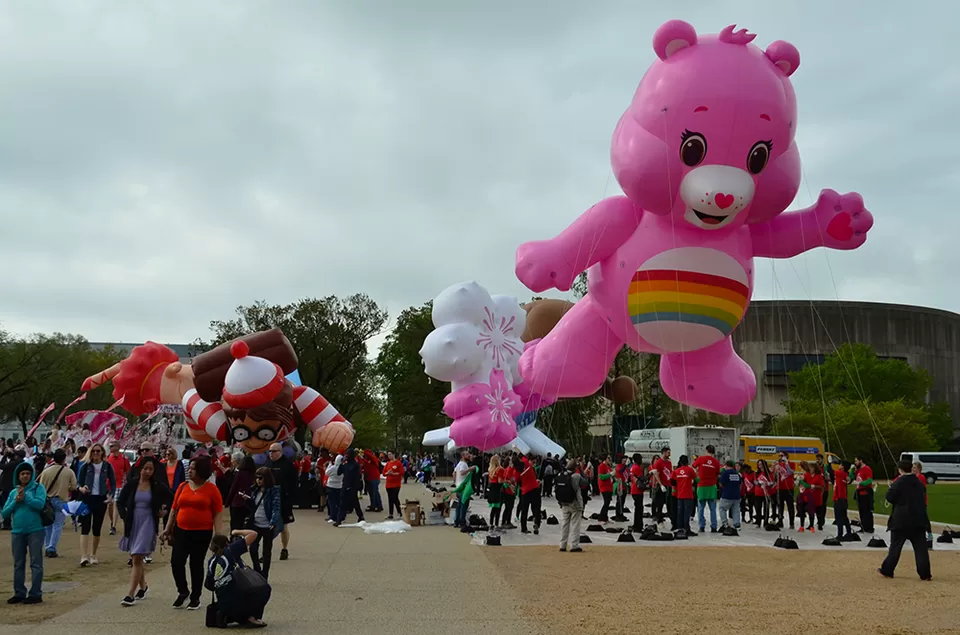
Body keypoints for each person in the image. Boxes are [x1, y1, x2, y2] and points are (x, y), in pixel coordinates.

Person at [162, 457, 223, 610]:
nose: (189, 471)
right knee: (176, 562)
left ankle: (196, 597)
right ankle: (183, 591)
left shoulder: (212, 489)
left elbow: (217, 513)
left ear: (202, 470)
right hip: (181, 531)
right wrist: (168, 528)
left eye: (193, 468)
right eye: (189, 468)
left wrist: (219, 535)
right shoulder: (183, 486)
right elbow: (174, 509)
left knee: (196, 564)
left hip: (202, 533)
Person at [117, 457, 171, 606]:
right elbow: (120, 502)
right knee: (136, 557)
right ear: (140, 468)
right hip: (133, 522)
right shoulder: (132, 484)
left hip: (148, 522)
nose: (148, 472)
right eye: (145, 468)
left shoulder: (157, 486)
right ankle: (143, 586)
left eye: (151, 469)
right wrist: (124, 515)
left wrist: (164, 511)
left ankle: (130, 594)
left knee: (137, 556)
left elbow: (172, 498)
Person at [878, 460, 932, 581]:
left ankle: (887, 569)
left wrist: (891, 488)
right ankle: (925, 573)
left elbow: (890, 498)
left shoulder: (898, 482)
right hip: (918, 519)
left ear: (900, 470)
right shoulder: (919, 482)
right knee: (921, 548)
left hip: (901, 519)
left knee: (896, 546)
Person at [206, 529, 270, 628]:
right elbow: (253, 534)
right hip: (237, 598)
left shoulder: (211, 561)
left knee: (230, 594)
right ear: (227, 543)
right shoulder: (230, 550)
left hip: (223, 600)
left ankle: (225, 613)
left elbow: (209, 585)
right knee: (264, 588)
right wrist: (236, 532)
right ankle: (253, 617)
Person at [2, 461, 46, 604]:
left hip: (35, 530)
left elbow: (40, 505)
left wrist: (26, 497)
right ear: (18, 476)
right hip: (17, 531)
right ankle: (19, 592)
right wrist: (16, 501)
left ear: (32, 475)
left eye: (28, 473)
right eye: (22, 474)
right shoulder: (13, 493)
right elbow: (5, 512)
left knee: (36, 563)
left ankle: (35, 593)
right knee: (18, 563)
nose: (25, 476)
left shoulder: (38, 488)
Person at [77, 443, 117, 566]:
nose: (95, 453)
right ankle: (84, 555)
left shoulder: (107, 466)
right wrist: (81, 488)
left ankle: (93, 554)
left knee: (97, 527)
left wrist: (110, 495)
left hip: (101, 498)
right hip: (87, 499)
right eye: (93, 451)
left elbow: (113, 483)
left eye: (98, 451)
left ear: (102, 453)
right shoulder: (86, 466)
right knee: (85, 526)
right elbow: (78, 482)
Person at [245, 467, 283, 581]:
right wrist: (247, 500)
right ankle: (257, 570)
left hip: (267, 525)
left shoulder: (273, 490)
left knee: (266, 551)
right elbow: (253, 506)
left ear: (266, 478)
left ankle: (264, 575)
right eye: (256, 478)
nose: (258, 480)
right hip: (256, 523)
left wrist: (273, 520)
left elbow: (276, 507)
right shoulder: (255, 490)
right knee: (253, 548)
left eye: (260, 478)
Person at [38, 449, 77, 558]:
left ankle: (47, 546)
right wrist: (65, 486)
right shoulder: (68, 472)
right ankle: (52, 547)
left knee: (48, 525)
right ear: (64, 459)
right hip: (61, 500)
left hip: (47, 500)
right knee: (58, 525)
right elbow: (74, 487)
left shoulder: (46, 471)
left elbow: (41, 487)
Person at [265, 443, 297, 561]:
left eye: (274, 451)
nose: (271, 454)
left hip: (284, 499)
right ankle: (266, 551)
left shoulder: (288, 465)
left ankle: (284, 549)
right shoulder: (268, 463)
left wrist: (290, 497)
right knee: (268, 526)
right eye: (270, 451)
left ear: (280, 451)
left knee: (283, 526)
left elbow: (294, 482)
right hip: (269, 499)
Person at [556, 460, 584, 552]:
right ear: (575, 467)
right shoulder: (576, 476)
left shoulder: (561, 475)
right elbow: (585, 482)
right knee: (575, 524)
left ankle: (562, 544)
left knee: (565, 524)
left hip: (564, 503)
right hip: (575, 503)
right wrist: (582, 470)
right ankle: (574, 545)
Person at [693, 445, 721, 533]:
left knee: (701, 508)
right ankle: (713, 527)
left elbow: (694, 466)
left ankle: (702, 526)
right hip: (712, 487)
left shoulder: (701, 459)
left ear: (706, 450)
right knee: (713, 509)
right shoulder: (716, 462)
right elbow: (718, 473)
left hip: (701, 486)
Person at [106, 440, 131, 536]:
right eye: (110, 446)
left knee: (116, 503)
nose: (111, 448)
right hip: (109, 486)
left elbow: (128, 472)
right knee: (110, 505)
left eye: (112, 446)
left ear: (117, 447)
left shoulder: (124, 458)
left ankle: (113, 526)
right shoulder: (109, 458)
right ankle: (113, 522)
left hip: (120, 485)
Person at [227, 455, 256, 531]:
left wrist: (228, 502)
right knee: (247, 525)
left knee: (235, 525)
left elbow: (233, 488)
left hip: (237, 502)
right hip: (249, 503)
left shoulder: (240, 473)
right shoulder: (254, 475)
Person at [335, 449, 364, 527]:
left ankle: (360, 516)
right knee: (342, 504)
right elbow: (338, 472)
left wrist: (355, 487)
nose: (346, 456)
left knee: (355, 503)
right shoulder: (345, 465)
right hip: (345, 486)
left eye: (348, 454)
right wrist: (341, 463)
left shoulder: (355, 465)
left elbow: (357, 477)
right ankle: (339, 519)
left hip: (352, 487)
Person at [672, 456, 697, 534]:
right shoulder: (690, 470)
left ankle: (680, 528)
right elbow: (697, 479)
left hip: (679, 495)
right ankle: (687, 529)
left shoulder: (676, 471)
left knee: (680, 512)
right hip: (688, 495)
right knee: (687, 513)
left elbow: (672, 481)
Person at [517, 456, 541, 535]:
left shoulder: (517, 471)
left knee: (524, 510)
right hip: (533, 489)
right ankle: (536, 523)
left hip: (524, 491)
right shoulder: (528, 467)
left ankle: (524, 528)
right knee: (536, 508)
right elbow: (523, 456)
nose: (534, 464)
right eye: (533, 462)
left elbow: (517, 481)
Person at [650, 448, 673, 527]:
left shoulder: (669, 463)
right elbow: (656, 474)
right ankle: (659, 520)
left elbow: (670, 473)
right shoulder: (659, 462)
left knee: (669, 503)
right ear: (664, 452)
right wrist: (661, 484)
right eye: (668, 452)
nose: (669, 453)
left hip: (668, 484)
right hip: (662, 485)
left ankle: (671, 518)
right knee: (660, 503)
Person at [774, 452, 796, 530]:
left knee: (790, 506)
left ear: (786, 456)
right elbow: (775, 477)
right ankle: (780, 521)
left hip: (789, 488)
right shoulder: (778, 465)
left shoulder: (791, 463)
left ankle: (792, 523)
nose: (780, 457)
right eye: (779, 456)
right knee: (780, 506)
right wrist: (775, 470)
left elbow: (790, 472)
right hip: (780, 488)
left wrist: (786, 463)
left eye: (782, 455)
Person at [717, 460, 741, 530]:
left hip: (727, 495)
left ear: (726, 465)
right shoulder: (737, 473)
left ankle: (725, 523)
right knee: (736, 510)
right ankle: (737, 525)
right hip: (736, 495)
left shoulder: (725, 473)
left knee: (722, 508)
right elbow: (740, 484)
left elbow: (721, 484)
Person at [853, 456, 875, 533]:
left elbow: (869, 481)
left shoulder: (867, 469)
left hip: (866, 491)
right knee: (861, 510)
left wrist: (860, 483)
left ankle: (869, 527)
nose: (855, 463)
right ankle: (863, 526)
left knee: (867, 510)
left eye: (856, 461)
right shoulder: (858, 470)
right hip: (859, 491)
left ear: (861, 461)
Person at [833, 461, 852, 539]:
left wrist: (829, 463)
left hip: (840, 498)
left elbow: (831, 471)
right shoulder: (844, 474)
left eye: (840, 465)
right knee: (844, 517)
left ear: (843, 467)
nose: (839, 466)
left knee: (839, 517)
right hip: (842, 498)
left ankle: (840, 534)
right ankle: (848, 532)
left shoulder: (841, 473)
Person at [814, 454, 833, 531]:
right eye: (817, 459)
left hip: (824, 489)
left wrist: (824, 476)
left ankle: (821, 520)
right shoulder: (815, 468)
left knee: (822, 505)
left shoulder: (825, 467)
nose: (817, 461)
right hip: (817, 489)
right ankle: (819, 519)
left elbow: (829, 478)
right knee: (817, 505)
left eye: (819, 459)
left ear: (822, 459)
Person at [382, 452, 404, 520]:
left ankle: (399, 513)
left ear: (394, 455)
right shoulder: (388, 463)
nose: (389, 456)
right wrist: (387, 473)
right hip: (389, 484)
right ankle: (390, 514)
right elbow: (383, 473)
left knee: (395, 498)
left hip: (396, 484)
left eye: (390, 454)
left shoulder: (398, 463)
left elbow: (401, 472)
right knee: (390, 499)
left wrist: (394, 473)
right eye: (388, 455)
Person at [629, 454, 647, 532]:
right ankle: (638, 525)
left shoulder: (632, 467)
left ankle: (637, 525)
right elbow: (642, 478)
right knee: (639, 509)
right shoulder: (637, 468)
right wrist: (650, 474)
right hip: (638, 490)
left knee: (637, 508)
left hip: (634, 489)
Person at [486, 455, 504, 529]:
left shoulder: (490, 469)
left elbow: (490, 480)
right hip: (498, 489)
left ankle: (491, 523)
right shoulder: (500, 469)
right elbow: (500, 481)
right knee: (498, 508)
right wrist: (506, 481)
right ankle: (496, 523)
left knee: (493, 508)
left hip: (492, 488)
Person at [325, 455, 343, 524]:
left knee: (331, 502)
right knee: (338, 502)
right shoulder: (342, 468)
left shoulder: (333, 468)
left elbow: (327, 473)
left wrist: (329, 464)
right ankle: (339, 516)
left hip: (331, 486)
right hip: (339, 486)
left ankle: (333, 516)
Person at [596, 454, 614, 522]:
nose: (609, 460)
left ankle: (605, 517)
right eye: (608, 458)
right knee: (606, 502)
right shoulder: (601, 466)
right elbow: (601, 477)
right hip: (604, 487)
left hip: (609, 486)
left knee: (608, 502)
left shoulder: (608, 467)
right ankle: (601, 517)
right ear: (605, 459)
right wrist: (610, 474)